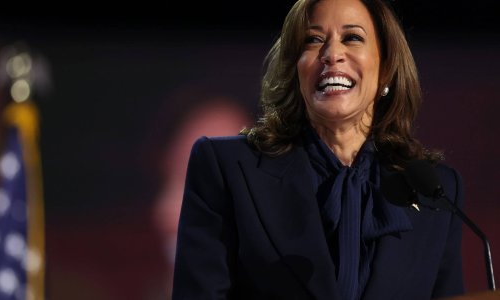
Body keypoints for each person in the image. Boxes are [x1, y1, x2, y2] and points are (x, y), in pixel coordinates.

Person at [172, 0, 465, 299]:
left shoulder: (436, 192)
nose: (332, 54)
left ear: (387, 68)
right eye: (313, 40)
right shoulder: (227, 168)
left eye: (352, 37)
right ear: (295, 68)